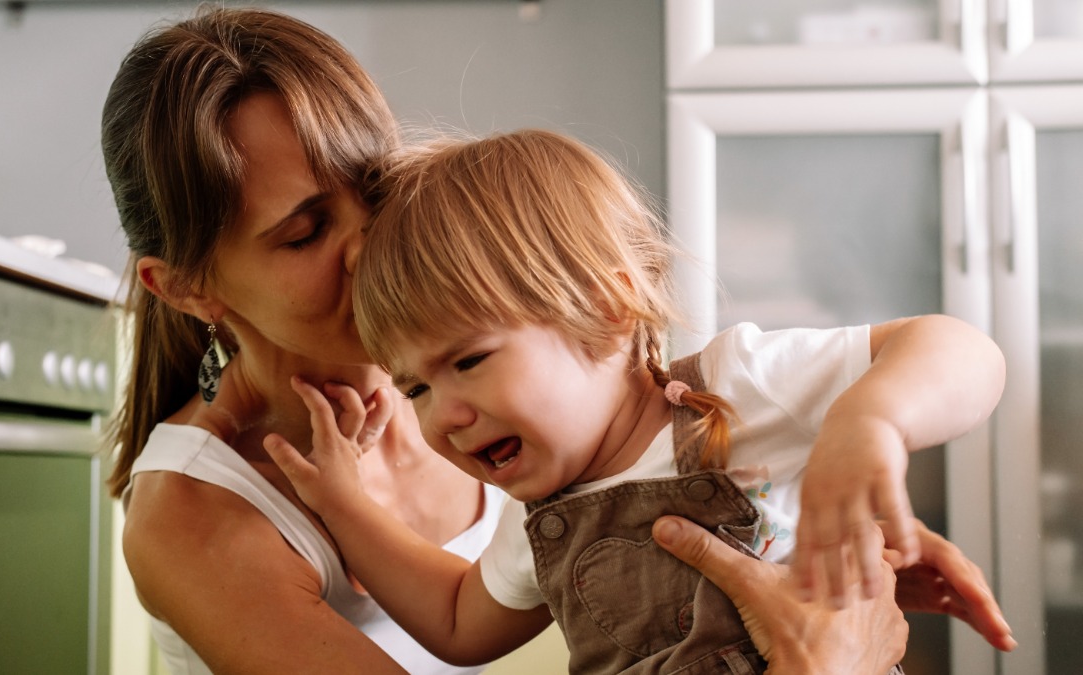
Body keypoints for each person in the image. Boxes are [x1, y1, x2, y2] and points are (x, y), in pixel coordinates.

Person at [102, 6, 1010, 674]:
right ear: (186, 287)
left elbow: (940, 358)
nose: (370, 242)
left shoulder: (543, 384)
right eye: (303, 233)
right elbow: (461, 622)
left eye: (370, 191)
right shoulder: (201, 513)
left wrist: (830, 507)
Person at [265, 129, 1012, 672]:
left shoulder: (735, 385)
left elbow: (964, 351)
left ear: (608, 308)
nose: (444, 414)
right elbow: (459, 623)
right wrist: (343, 503)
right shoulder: (543, 524)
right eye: (416, 387)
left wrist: (871, 417)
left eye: (470, 360)